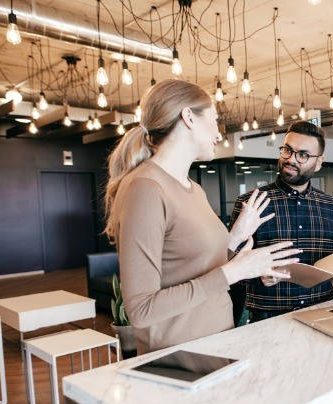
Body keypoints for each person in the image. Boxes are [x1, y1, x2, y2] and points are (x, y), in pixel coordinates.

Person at [104, 79, 301, 354]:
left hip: (216, 344)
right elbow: (141, 310)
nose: (219, 134)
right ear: (188, 117)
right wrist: (234, 271)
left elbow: (194, 267)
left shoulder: (192, 188)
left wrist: (236, 239)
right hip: (180, 358)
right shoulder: (146, 188)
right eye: (214, 120)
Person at [228, 121, 333, 322]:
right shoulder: (250, 203)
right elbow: (229, 267)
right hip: (267, 318)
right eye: (287, 150)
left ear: (319, 162)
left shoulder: (331, 206)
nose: (291, 159)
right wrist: (258, 276)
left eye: (302, 155)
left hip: (322, 312)